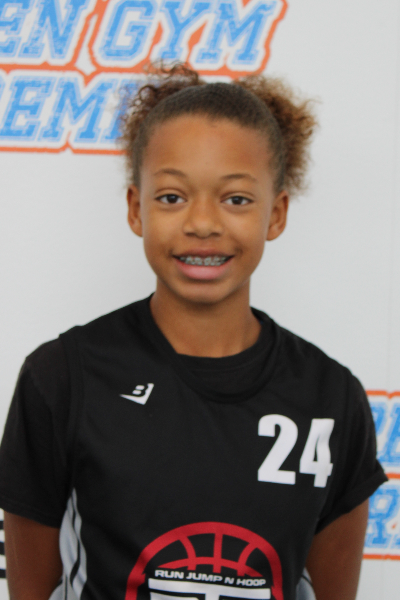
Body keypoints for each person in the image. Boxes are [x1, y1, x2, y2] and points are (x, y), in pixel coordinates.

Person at [0, 64, 387, 600]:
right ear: (136, 209)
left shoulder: (331, 397)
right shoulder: (63, 377)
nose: (202, 223)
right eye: (172, 197)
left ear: (276, 214)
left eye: (236, 199)